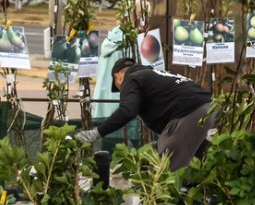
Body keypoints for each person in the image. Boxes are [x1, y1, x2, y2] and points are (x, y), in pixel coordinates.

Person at [75, 57, 215, 170]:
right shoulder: (156, 74)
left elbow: (128, 111)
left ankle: (163, 204)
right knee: (205, 166)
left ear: (118, 77)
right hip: (209, 110)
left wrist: (97, 133)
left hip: (188, 114)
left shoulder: (131, 79)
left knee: (166, 173)